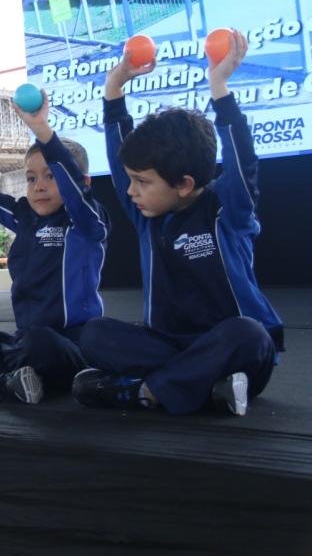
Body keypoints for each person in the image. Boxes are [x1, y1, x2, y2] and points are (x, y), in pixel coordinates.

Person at [72, 30, 281, 416]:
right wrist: (114, 87)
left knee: (248, 334)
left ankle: (143, 392)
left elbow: (243, 163)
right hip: (167, 345)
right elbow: (122, 160)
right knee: (95, 334)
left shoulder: (226, 212)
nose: (130, 191)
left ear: (185, 184)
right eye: (131, 181)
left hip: (229, 347)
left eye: (143, 182)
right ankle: (205, 388)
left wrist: (220, 87)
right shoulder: (147, 216)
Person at [0, 92, 109, 403]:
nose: (39, 186)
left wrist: (42, 130)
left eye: (51, 176)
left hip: (70, 343)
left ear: (82, 182)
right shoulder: (25, 219)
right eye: (32, 178)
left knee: (40, 340)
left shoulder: (86, 223)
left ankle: (18, 373)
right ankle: (8, 381)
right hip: (25, 340)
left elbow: (76, 192)